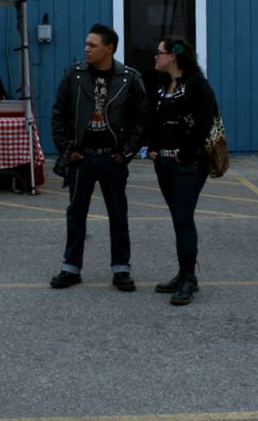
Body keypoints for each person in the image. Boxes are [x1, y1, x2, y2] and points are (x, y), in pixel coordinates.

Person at [49, 23, 148, 291]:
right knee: (75, 213)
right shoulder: (73, 76)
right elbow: (58, 115)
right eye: (86, 44)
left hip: (112, 159)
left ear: (109, 48)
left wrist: (126, 152)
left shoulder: (129, 78)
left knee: (118, 214)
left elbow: (142, 120)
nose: (86, 49)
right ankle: (71, 267)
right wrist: (67, 149)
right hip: (81, 158)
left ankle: (121, 269)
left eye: (93, 45)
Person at [146, 36, 217, 306]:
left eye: (159, 52)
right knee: (179, 220)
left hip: (188, 165)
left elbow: (205, 123)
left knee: (184, 219)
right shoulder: (162, 85)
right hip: (164, 163)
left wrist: (186, 153)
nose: (155, 57)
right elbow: (156, 119)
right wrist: (152, 147)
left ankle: (188, 278)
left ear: (173, 56)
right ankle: (184, 274)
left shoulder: (197, 85)